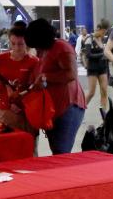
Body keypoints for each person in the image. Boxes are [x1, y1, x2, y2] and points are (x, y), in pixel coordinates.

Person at [25, 19, 86, 154]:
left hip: (68, 107)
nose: (36, 49)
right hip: (53, 109)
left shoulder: (61, 47)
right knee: (57, 151)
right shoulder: (43, 51)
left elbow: (71, 74)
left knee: (61, 152)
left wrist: (46, 77)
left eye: (36, 44)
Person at [0, 26, 39, 135]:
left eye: (20, 44)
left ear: (27, 43)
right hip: (4, 111)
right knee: (4, 147)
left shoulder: (34, 62)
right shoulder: (0, 59)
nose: (16, 48)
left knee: (28, 147)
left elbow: (36, 88)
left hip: (27, 112)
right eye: (13, 43)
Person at [82, 19, 110, 112]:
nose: (103, 34)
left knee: (104, 91)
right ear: (98, 29)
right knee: (91, 92)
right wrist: (102, 55)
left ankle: (104, 114)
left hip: (102, 68)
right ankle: (80, 109)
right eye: (102, 32)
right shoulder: (89, 39)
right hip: (92, 68)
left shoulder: (103, 39)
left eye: (105, 32)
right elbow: (88, 55)